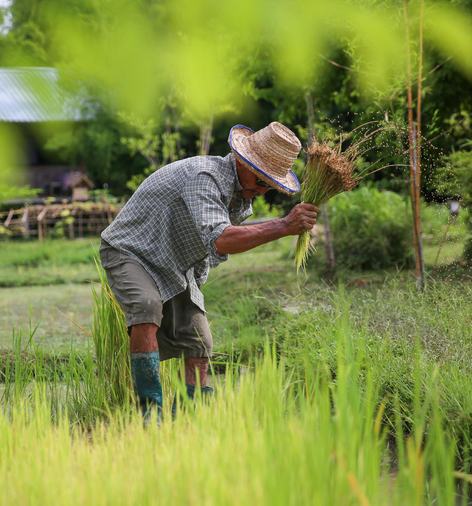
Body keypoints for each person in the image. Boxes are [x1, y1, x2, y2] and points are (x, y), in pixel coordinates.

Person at [99, 121, 319, 418]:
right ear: (243, 161)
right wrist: (284, 225)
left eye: (269, 185)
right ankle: (150, 415)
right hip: (132, 251)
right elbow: (222, 240)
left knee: (200, 339)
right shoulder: (206, 177)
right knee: (146, 306)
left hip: (174, 263)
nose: (262, 190)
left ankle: (190, 417)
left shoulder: (241, 198)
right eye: (261, 181)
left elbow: (207, 245)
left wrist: (196, 287)